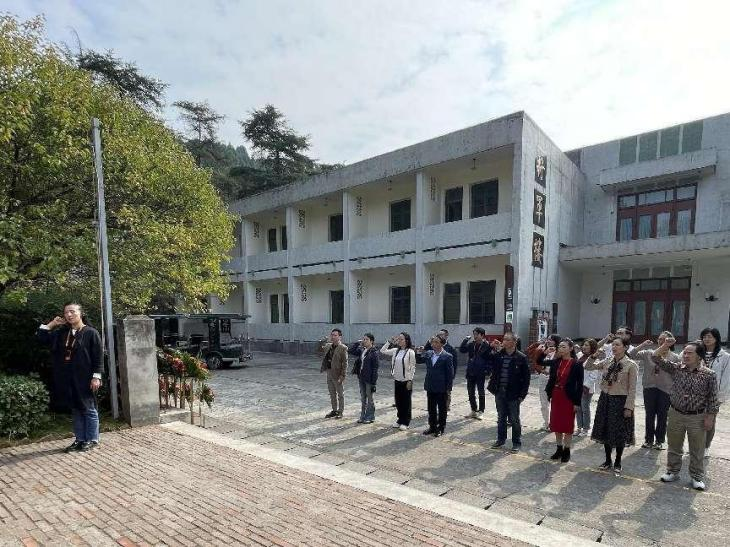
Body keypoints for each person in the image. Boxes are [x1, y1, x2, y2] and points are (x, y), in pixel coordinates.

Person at [653, 338, 720, 491]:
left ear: (699, 356)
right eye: (684, 352)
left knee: (697, 449)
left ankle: (696, 477)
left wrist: (710, 417)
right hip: (676, 413)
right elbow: (655, 357)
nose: (685, 355)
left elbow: (713, 398)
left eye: (690, 353)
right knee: (674, 445)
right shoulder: (677, 368)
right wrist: (665, 345)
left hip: (697, 417)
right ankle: (672, 471)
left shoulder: (709, 374)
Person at [38, 302, 103, 452]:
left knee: (88, 408)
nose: (69, 315)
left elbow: (98, 357)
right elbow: (41, 338)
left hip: (85, 377)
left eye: (72, 311)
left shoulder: (91, 333)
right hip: (67, 377)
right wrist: (52, 324)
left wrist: (96, 377)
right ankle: (80, 439)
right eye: (66, 312)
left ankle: (92, 439)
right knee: (76, 409)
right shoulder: (62, 333)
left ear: (81, 313)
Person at [584, 337, 638, 475]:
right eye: (613, 344)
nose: (614, 347)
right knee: (605, 429)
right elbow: (588, 366)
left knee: (619, 432)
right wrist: (593, 356)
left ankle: (618, 461)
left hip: (620, 401)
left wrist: (629, 407)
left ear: (625, 347)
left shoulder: (631, 365)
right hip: (606, 398)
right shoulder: (608, 361)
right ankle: (608, 460)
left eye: (617, 345)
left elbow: (632, 389)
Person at [629, 331, 678, 450]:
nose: (662, 341)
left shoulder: (675, 357)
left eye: (665, 340)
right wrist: (643, 344)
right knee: (649, 415)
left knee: (662, 416)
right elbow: (631, 354)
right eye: (660, 339)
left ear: (670, 342)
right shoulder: (648, 353)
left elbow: (676, 374)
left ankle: (659, 441)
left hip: (665, 389)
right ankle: (648, 440)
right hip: (649, 387)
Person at [487, 332, 530, 452]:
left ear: (514, 342)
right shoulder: (498, 355)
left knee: (514, 419)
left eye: (507, 339)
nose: (504, 341)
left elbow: (526, 379)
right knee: (501, 418)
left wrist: (522, 395)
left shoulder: (521, 357)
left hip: (514, 394)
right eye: (504, 339)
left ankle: (516, 442)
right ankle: (501, 440)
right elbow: (486, 357)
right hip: (499, 392)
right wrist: (490, 347)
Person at [544, 338, 584, 463]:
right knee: (556, 423)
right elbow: (540, 361)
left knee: (567, 425)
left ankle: (567, 450)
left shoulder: (577, 364)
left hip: (568, 397)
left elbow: (579, 385)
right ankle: (559, 448)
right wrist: (545, 352)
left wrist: (577, 402)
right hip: (556, 395)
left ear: (571, 348)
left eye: (564, 346)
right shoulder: (556, 362)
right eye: (559, 346)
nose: (560, 348)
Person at [699, 327, 730, 457]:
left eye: (709, 336)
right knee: (696, 420)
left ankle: (706, 446)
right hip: (697, 394)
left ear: (716, 339)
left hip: (714, 395)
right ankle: (697, 445)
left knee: (710, 420)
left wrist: (719, 397)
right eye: (704, 336)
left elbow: (726, 378)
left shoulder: (725, 357)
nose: (706, 339)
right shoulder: (697, 352)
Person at [416, 334, 454, 437]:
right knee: (431, 408)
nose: (433, 344)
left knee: (442, 409)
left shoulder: (447, 356)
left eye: (436, 342)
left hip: (442, 388)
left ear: (442, 344)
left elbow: (450, 374)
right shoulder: (429, 353)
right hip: (430, 386)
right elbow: (419, 361)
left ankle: (441, 428)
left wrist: (448, 388)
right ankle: (432, 427)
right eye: (433, 342)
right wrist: (418, 352)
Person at [380, 332, 416, 431]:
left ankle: (406, 422)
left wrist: (410, 379)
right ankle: (400, 419)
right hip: (397, 380)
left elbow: (412, 367)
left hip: (406, 381)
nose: (399, 341)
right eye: (398, 339)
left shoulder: (410, 352)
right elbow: (382, 351)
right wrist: (389, 342)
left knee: (406, 402)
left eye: (401, 339)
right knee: (398, 401)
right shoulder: (396, 351)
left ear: (406, 341)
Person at [459, 327, 491, 420]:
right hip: (471, 371)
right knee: (470, 392)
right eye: (474, 334)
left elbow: (490, 360)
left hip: (480, 372)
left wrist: (488, 371)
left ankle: (481, 411)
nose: (475, 336)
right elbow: (462, 350)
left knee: (481, 392)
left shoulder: (487, 346)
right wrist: (465, 340)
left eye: (477, 334)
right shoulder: (471, 344)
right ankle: (473, 410)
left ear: (482, 335)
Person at [348, 333, 379, 424]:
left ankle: (370, 416)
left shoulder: (374, 352)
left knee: (370, 398)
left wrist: (373, 382)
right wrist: (357, 343)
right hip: (361, 377)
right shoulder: (362, 350)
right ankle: (362, 416)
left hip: (369, 379)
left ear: (371, 341)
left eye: (366, 339)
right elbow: (351, 351)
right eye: (363, 339)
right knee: (363, 398)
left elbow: (375, 368)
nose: (364, 341)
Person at [424, 329, 458, 410]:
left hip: (444, 379)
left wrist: (451, 377)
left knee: (446, 395)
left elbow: (454, 364)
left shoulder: (451, 349)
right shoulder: (432, 348)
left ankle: (446, 407)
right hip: (432, 380)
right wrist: (429, 341)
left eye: (442, 334)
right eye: (438, 334)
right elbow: (426, 350)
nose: (439, 336)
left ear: (446, 336)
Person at [318, 328, 348, 419]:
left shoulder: (343, 348)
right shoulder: (328, 346)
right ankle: (334, 410)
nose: (333, 337)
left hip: (338, 373)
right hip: (329, 372)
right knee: (332, 393)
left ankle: (340, 411)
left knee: (340, 394)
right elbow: (319, 350)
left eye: (335, 335)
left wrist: (343, 375)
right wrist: (321, 342)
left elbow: (345, 363)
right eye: (332, 335)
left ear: (340, 337)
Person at [534, 334, 561, 431]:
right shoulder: (544, 350)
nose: (548, 341)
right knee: (543, 403)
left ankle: (554, 422)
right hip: (543, 378)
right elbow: (537, 362)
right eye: (548, 339)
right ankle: (546, 422)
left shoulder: (560, 352)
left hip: (554, 380)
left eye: (551, 339)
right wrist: (541, 370)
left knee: (555, 403)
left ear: (556, 341)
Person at [575, 338, 601, 436]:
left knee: (585, 408)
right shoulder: (579, 355)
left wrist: (584, 386)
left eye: (587, 345)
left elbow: (594, 376)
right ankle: (579, 427)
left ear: (592, 347)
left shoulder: (595, 359)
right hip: (577, 386)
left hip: (586, 388)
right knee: (578, 408)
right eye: (583, 345)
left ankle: (586, 429)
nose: (584, 347)